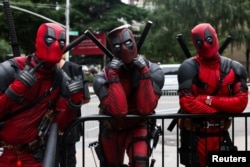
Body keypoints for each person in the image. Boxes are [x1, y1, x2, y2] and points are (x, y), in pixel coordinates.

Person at [0, 23, 84, 167]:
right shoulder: (10, 69)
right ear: (39, 40)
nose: (57, 45)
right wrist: (13, 91)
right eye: (50, 40)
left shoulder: (59, 78)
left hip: (33, 155)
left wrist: (74, 102)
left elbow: (61, 124)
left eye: (62, 41)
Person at [177, 23, 248, 167]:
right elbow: (187, 103)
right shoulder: (189, 67)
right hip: (194, 136)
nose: (204, 44)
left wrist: (207, 99)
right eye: (199, 42)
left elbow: (241, 103)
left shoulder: (235, 68)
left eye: (208, 39)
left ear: (214, 37)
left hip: (221, 135)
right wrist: (221, 111)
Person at [93, 24, 164, 167]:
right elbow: (119, 111)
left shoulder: (153, 71)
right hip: (112, 127)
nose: (124, 49)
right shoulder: (103, 77)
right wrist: (113, 76)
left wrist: (144, 73)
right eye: (118, 46)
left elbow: (145, 108)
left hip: (139, 125)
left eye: (127, 43)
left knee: (140, 161)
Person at [57, 58, 90, 167]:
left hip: (69, 127)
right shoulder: (42, 69)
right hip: (46, 128)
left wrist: (71, 104)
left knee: (68, 160)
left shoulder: (74, 69)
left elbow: (86, 97)